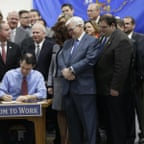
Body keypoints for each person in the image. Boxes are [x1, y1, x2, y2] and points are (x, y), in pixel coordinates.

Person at [57, 16, 99, 144]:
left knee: (88, 124)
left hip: (84, 89)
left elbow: (90, 60)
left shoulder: (92, 41)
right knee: (73, 125)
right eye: (68, 30)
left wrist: (72, 70)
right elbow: (60, 57)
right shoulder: (67, 43)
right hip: (68, 89)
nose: (70, 33)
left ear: (80, 26)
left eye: (71, 29)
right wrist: (65, 71)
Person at [95, 15, 133, 144]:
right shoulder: (103, 37)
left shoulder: (121, 40)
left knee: (117, 122)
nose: (101, 29)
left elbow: (121, 67)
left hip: (114, 90)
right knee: (108, 122)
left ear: (113, 26)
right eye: (100, 27)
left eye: (104, 27)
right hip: (103, 89)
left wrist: (115, 87)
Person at [0, 53, 47, 144]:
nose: (24, 71)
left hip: (29, 112)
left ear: (33, 66)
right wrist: (3, 96)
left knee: (35, 126)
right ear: (20, 63)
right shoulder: (9, 74)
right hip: (10, 112)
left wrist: (28, 97)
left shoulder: (38, 76)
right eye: (22, 67)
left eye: (27, 69)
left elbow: (43, 93)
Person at [47, 19, 71, 144]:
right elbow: (52, 66)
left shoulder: (72, 45)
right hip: (57, 83)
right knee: (60, 112)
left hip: (69, 81)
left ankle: (69, 140)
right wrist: (50, 84)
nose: (55, 36)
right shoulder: (55, 46)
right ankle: (62, 139)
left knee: (70, 112)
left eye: (57, 34)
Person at [123, 16, 144, 144]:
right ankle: (130, 135)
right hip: (124, 83)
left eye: (127, 24)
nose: (125, 26)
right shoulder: (119, 39)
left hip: (139, 81)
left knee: (141, 110)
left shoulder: (141, 39)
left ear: (133, 25)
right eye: (123, 24)